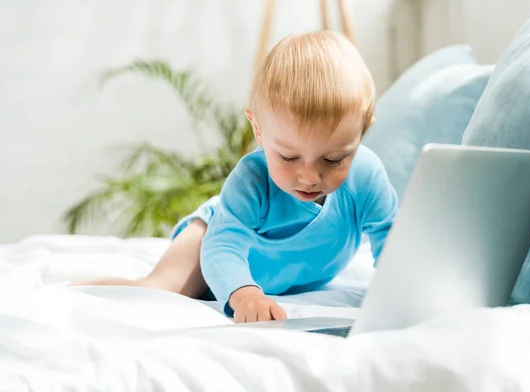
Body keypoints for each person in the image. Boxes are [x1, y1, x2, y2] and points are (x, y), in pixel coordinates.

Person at [71, 30, 398, 323]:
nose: (310, 176)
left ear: (362, 132)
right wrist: (244, 294)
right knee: (160, 290)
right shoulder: (252, 180)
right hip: (210, 237)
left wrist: (406, 288)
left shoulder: (366, 177)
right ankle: (71, 289)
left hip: (274, 273)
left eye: (334, 158)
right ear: (258, 129)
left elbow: (393, 240)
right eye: (288, 156)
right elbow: (224, 244)